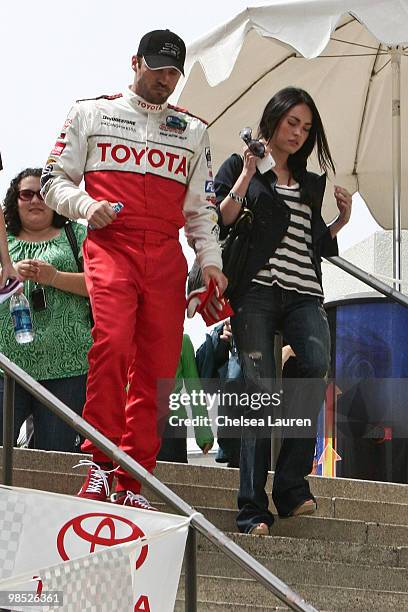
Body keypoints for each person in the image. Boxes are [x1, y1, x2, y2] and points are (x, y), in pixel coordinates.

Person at [41, 29, 226, 508]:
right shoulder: (91, 112)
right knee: (114, 341)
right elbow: (51, 181)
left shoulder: (193, 131)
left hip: (165, 253)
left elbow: (201, 212)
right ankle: (99, 464)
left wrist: (210, 263)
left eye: (173, 73)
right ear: (135, 63)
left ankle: (132, 481)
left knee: (158, 369)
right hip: (112, 245)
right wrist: (85, 206)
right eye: (157, 68)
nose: (165, 79)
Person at [214, 87, 352, 535]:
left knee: (314, 364)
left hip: (303, 292)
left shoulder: (310, 182)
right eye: (292, 123)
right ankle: (252, 509)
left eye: (307, 128)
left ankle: (291, 488)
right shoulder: (241, 166)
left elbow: (314, 242)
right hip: (254, 290)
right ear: (272, 119)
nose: (298, 133)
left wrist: (339, 223)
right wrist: (250, 171)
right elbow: (225, 218)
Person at [0, 168, 92, 451]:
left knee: (56, 460)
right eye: (26, 194)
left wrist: (54, 277)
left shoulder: (77, 233)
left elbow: (100, 285)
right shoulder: (2, 241)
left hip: (67, 367)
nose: (35, 200)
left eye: (43, 194)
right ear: (14, 201)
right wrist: (10, 272)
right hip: (6, 367)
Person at [157, 333, 213, 463]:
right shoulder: (133, 336)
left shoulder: (182, 340)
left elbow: (194, 388)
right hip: (138, 421)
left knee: (172, 479)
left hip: (173, 423)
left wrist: (204, 433)